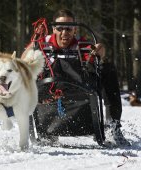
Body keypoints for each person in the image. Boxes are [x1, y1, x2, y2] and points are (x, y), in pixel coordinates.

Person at [23, 9, 130, 146]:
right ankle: (38, 131)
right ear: (54, 29)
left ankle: (113, 126)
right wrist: (31, 49)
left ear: (75, 30)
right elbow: (23, 62)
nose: (64, 33)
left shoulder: (82, 45)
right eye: (60, 28)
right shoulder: (42, 44)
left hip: (77, 90)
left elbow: (94, 58)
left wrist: (99, 52)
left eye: (69, 29)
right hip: (49, 92)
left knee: (107, 69)